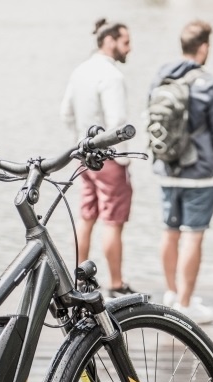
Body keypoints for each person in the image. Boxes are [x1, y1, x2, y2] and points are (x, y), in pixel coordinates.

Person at [149, 20, 213, 324]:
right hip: (201, 172)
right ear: (204, 47)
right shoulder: (209, 83)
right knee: (193, 237)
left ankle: (171, 293)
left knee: (169, 231)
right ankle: (185, 304)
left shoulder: (161, 77)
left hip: (166, 168)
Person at [60, 18, 137, 298]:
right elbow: (117, 122)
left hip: (84, 156)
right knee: (113, 221)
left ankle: (78, 278)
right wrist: (120, 159)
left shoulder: (80, 70)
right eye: (125, 42)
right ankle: (116, 284)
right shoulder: (112, 76)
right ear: (110, 41)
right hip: (108, 159)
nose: (129, 48)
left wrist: (78, 142)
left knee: (87, 215)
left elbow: (65, 112)